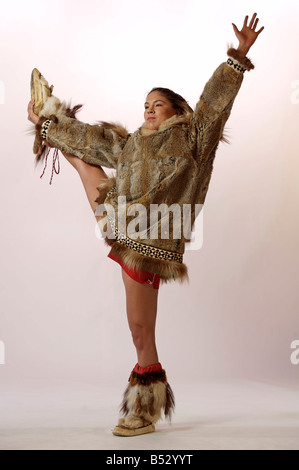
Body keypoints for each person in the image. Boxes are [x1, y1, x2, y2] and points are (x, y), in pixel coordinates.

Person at [27, 13, 264, 437]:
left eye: (158, 105)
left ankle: (146, 400)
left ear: (177, 110)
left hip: (153, 240)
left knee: (139, 330)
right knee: (83, 158)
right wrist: (48, 124)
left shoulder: (193, 138)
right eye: (145, 105)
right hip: (121, 221)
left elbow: (213, 103)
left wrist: (237, 59)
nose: (149, 111)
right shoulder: (133, 142)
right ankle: (48, 114)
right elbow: (94, 140)